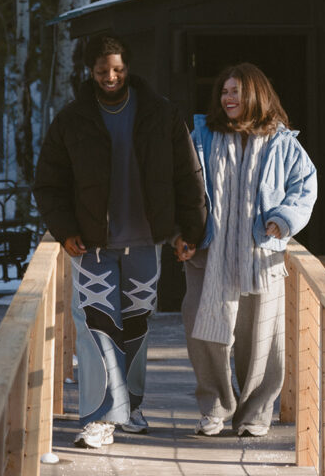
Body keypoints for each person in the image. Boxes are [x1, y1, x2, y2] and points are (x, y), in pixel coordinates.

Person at [33, 33, 206, 449]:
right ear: (89, 71)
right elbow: (49, 183)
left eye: (117, 69)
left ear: (128, 67)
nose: (110, 77)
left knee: (135, 326)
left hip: (147, 241)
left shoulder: (162, 114)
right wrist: (65, 228)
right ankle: (100, 417)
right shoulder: (72, 119)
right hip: (92, 244)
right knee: (97, 325)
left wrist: (191, 230)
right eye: (101, 70)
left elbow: (188, 176)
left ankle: (131, 407)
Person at [183, 62, 317, 438]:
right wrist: (183, 231)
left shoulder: (282, 142)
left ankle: (256, 413)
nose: (228, 98)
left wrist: (284, 219)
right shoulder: (202, 136)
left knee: (262, 338)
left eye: (236, 92)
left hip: (261, 255)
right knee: (204, 332)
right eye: (224, 91)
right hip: (209, 252)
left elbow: (304, 186)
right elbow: (183, 187)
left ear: (256, 95)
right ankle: (213, 408)